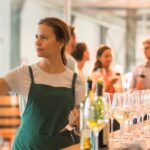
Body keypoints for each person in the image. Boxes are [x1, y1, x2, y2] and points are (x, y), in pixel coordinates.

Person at [0, 17, 85, 150]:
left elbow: (81, 128)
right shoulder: (23, 73)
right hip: (25, 147)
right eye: (36, 37)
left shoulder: (77, 81)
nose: (37, 42)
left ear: (61, 42)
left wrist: (79, 123)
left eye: (44, 37)